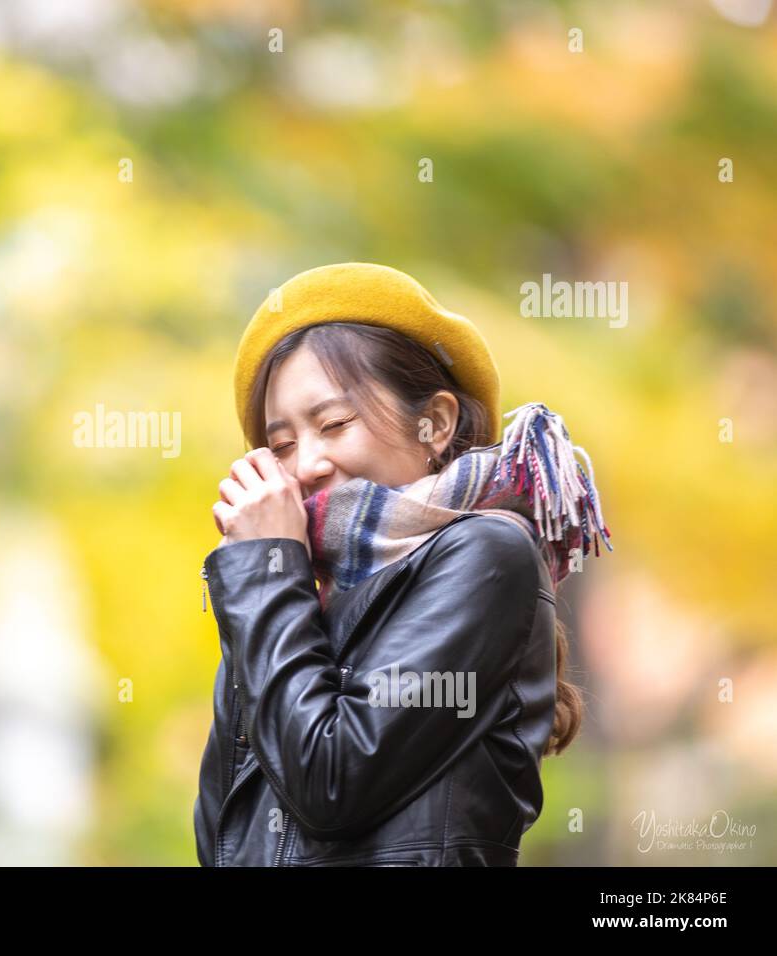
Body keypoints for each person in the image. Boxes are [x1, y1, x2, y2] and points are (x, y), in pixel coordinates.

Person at [194, 262, 613, 866]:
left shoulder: (486, 554)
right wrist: (259, 577)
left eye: (334, 423)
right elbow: (223, 842)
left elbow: (331, 781)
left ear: (435, 423)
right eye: (281, 444)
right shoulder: (293, 593)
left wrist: (268, 576)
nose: (306, 464)